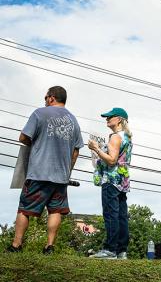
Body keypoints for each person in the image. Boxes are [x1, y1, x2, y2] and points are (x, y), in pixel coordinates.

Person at [7, 86, 83, 254]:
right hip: (61, 177)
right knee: (55, 210)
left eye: (45, 97)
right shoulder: (74, 120)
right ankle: (49, 247)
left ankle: (16, 245)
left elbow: (23, 137)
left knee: (25, 209)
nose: (45, 100)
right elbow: (76, 151)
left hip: (39, 173)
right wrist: (67, 171)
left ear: (51, 98)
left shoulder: (40, 113)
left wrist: (37, 144)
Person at [88, 107, 133, 259]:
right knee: (121, 215)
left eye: (110, 117)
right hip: (122, 180)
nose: (107, 119)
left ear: (119, 119)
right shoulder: (127, 137)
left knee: (110, 214)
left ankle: (110, 249)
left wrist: (96, 149)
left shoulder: (115, 137)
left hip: (111, 179)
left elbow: (112, 160)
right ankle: (121, 250)